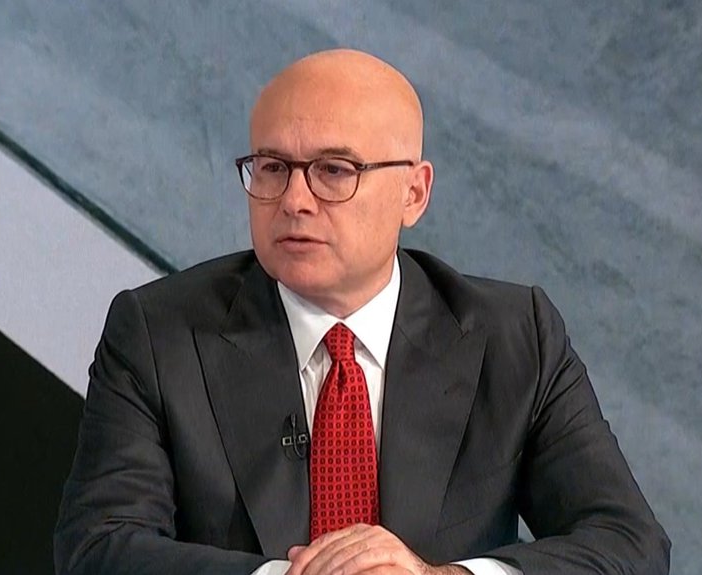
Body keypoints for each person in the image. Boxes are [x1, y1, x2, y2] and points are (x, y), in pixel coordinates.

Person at [54, 49, 670, 575]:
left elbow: (629, 545)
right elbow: (97, 547)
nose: (294, 200)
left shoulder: (515, 336)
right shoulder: (157, 334)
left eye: (334, 171)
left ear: (414, 193)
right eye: (273, 168)